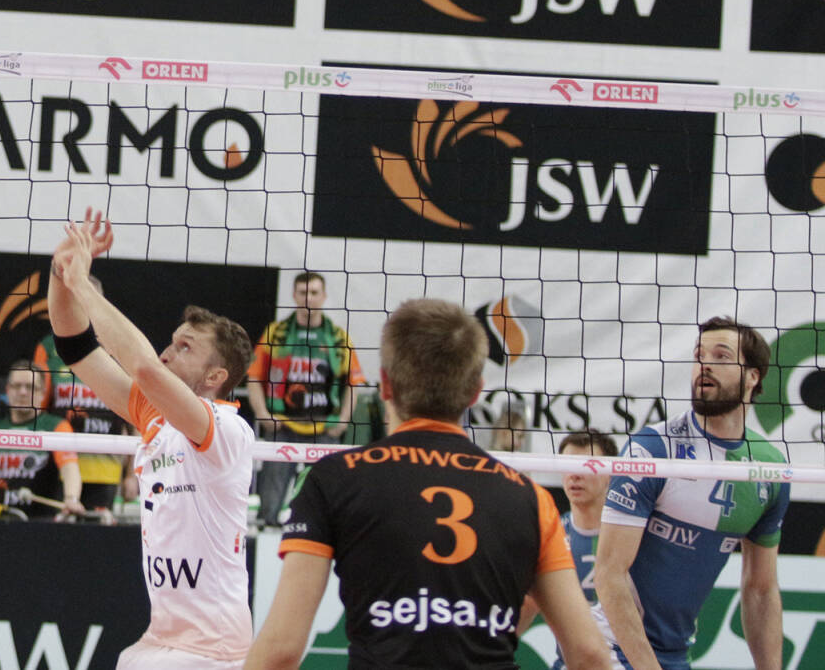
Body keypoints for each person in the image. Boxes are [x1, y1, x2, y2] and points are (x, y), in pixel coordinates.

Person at [246, 298, 610, 670]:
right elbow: (589, 653)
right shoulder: (530, 498)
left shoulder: (333, 479)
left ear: (385, 385)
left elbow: (281, 650)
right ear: (476, 392)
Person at [49, 210, 256, 669]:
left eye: (185, 348)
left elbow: (142, 366)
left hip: (212, 648)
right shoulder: (155, 419)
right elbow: (75, 348)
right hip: (163, 636)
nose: (167, 352)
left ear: (215, 377)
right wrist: (61, 273)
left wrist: (83, 283)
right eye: (172, 340)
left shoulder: (225, 431)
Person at [594, 317, 789, 670]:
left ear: (753, 376)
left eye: (721, 356)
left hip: (675, 655)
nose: (705, 364)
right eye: (699, 355)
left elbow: (760, 590)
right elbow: (609, 574)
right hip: (610, 647)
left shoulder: (769, 468)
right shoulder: (653, 449)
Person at [247, 271, 363, 526]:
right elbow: (254, 377)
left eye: (313, 292)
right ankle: (268, 528)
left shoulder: (338, 337)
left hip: (324, 427)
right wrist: (263, 414)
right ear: (294, 295)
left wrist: (343, 421)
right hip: (283, 425)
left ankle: (320, 533)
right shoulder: (275, 334)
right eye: (303, 292)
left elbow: (353, 383)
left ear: (324, 296)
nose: (308, 298)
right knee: (270, 498)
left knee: (326, 494)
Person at [518, 429, 618, 648]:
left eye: (587, 465)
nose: (575, 474)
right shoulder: (550, 534)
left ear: (610, 474)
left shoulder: (632, 537)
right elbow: (527, 605)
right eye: (568, 465)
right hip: (570, 660)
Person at [35, 288, 131, 513]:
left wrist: (132, 476)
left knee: (97, 531)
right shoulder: (48, 346)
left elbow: (135, 415)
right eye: (76, 298)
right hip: (60, 466)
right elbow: (39, 409)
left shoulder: (118, 343)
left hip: (105, 468)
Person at [0, 361, 83, 520]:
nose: (23, 392)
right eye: (17, 386)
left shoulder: (57, 427)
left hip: (41, 522)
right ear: (7, 390)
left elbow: (70, 468)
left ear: (43, 392)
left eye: (30, 387)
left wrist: (71, 498)